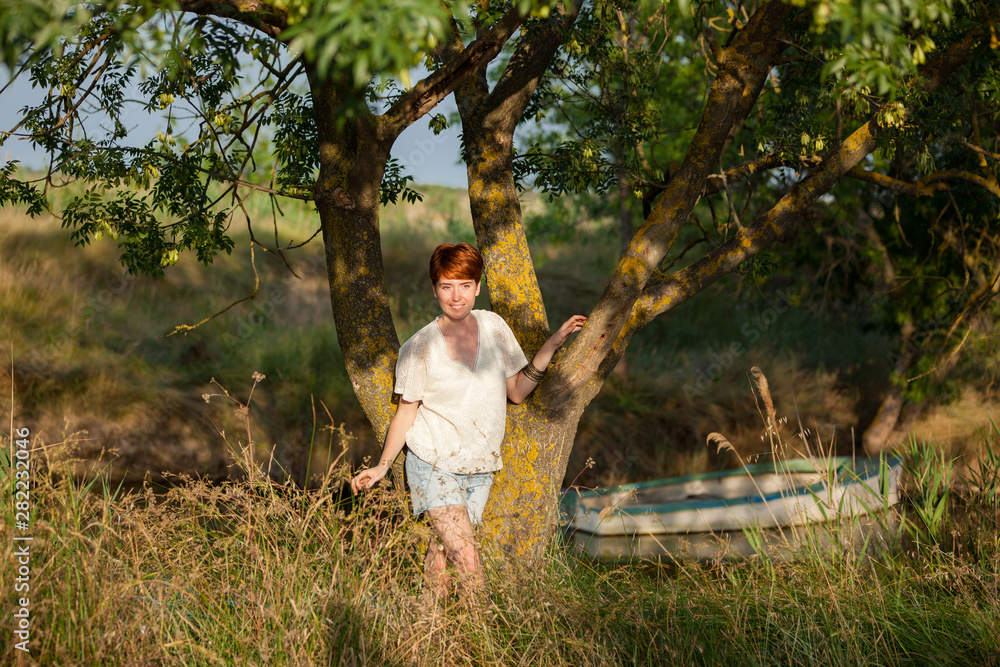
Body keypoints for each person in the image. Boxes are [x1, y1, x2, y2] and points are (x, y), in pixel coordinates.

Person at [350, 242, 586, 600]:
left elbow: (517, 391)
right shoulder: (419, 347)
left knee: (442, 553)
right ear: (435, 289)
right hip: (434, 463)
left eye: (464, 285)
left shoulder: (494, 327)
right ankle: (480, 636)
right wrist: (383, 467)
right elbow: (405, 414)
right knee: (468, 557)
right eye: (447, 286)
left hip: (480, 466)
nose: (456, 296)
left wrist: (552, 344)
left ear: (478, 286)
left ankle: (431, 629)